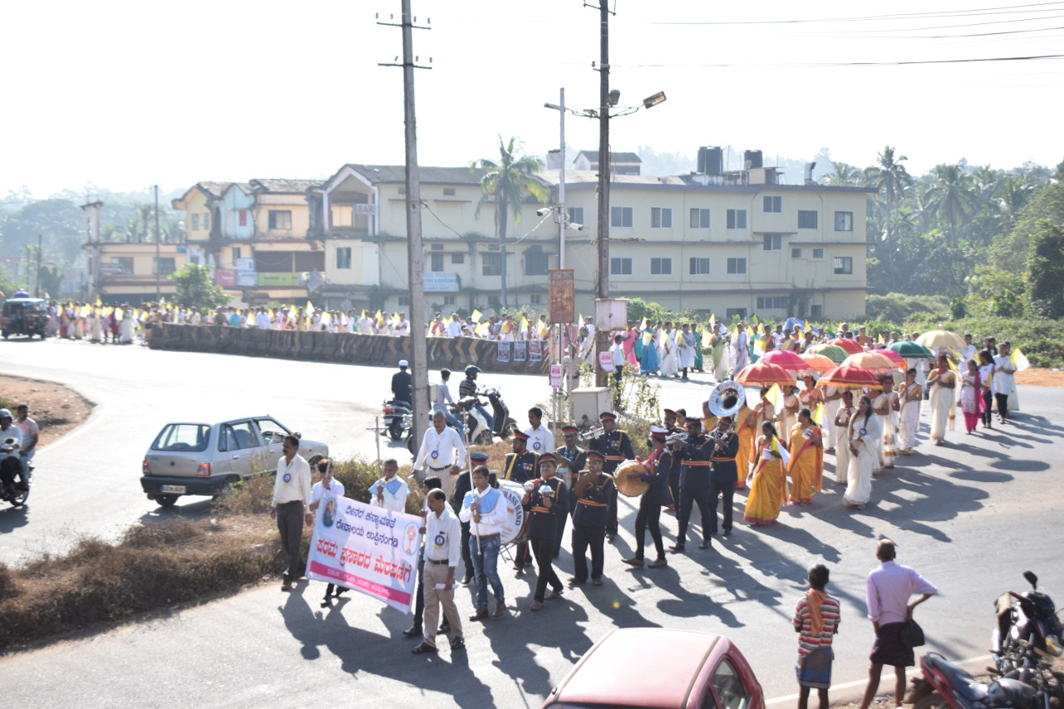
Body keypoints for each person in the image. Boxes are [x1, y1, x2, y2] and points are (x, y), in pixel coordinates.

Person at [859, 540, 937, 709]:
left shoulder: (874, 575)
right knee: (899, 669)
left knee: (875, 671)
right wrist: (912, 606)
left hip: (885, 627)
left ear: (877, 556)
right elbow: (931, 590)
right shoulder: (907, 572)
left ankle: (864, 706)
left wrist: (877, 630)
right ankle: (898, 705)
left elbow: (873, 610)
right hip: (902, 627)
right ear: (894, 555)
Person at [412, 489, 466, 655]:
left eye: (432, 501)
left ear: (441, 501)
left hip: (443, 568)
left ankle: (458, 635)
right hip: (429, 565)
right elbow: (429, 539)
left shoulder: (452, 521)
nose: (428, 504)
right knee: (430, 604)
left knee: (447, 603)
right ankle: (429, 640)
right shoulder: (430, 517)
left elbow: (454, 551)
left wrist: (451, 576)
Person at [459, 466, 509, 621]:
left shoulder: (497, 495)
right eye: (474, 478)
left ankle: (500, 601)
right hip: (474, 539)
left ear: (487, 479)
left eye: (479, 478)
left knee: (489, 571)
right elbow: (463, 517)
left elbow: (502, 516)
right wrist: (470, 510)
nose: (476, 481)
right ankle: (481, 607)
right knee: (478, 574)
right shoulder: (469, 495)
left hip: (491, 539)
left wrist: (483, 520)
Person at [522, 453, 569, 610]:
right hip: (535, 527)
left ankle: (538, 598)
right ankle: (557, 585)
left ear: (555, 469)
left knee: (543, 565)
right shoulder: (534, 484)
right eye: (542, 466)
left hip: (549, 528)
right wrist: (525, 502)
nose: (544, 468)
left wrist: (551, 505)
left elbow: (564, 508)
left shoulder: (560, 485)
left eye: (548, 466)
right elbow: (530, 508)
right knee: (542, 562)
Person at [794, 564, 841, 709]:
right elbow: (835, 627)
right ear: (827, 580)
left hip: (807, 652)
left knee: (804, 692)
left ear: (809, 580)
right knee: (823, 692)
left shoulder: (803, 603)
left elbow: (797, 626)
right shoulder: (835, 603)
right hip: (824, 652)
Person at [270, 435, 313, 591]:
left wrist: (308, 512)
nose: (284, 448)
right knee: (287, 543)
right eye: (283, 445)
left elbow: (306, 490)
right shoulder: (281, 462)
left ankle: (289, 575)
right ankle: (301, 567)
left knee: (294, 543)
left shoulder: (302, 465)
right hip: (281, 508)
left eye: (287, 446)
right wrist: (273, 505)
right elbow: (278, 485)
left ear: (295, 448)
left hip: (294, 508)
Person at [622, 426, 670, 568]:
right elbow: (648, 467)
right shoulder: (657, 453)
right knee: (641, 524)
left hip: (655, 494)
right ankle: (640, 557)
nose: (651, 441)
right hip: (649, 493)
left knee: (652, 526)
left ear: (655, 440)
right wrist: (639, 465)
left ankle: (660, 557)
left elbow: (662, 477)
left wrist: (641, 475)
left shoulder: (665, 455)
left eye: (652, 438)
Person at [569, 450, 614, 587]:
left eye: (595, 462)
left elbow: (604, 499)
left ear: (601, 464)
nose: (592, 465)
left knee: (597, 550)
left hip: (596, 519)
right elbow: (576, 493)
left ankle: (596, 576)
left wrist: (593, 490)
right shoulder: (582, 474)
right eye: (590, 462)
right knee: (578, 549)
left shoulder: (607, 479)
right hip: (580, 516)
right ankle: (580, 576)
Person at [672, 418, 715, 552]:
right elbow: (678, 459)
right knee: (683, 514)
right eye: (687, 428)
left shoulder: (708, 441)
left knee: (704, 511)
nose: (687, 431)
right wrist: (675, 449)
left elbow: (702, 455)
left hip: (701, 482)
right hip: (686, 482)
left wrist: (685, 445)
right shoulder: (687, 440)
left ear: (697, 428)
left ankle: (707, 539)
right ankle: (680, 541)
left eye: (690, 428)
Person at [309, 459, 348, 607]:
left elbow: (334, 504)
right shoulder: (316, 487)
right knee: (331, 558)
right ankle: (342, 583)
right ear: (320, 473)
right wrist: (322, 491)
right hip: (322, 528)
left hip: (336, 529)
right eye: (326, 472)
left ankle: (328, 593)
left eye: (331, 472)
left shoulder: (338, 487)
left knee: (333, 558)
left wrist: (327, 491)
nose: (329, 475)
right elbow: (312, 506)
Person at [591, 411, 634, 541]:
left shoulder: (621, 436)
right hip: (600, 472)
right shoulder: (600, 437)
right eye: (602, 422)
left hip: (614, 473)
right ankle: (599, 526)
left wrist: (626, 470)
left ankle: (611, 529)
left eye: (606, 422)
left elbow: (630, 455)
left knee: (611, 501)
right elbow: (593, 452)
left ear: (612, 423)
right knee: (597, 499)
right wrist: (593, 436)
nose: (604, 424)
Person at [503, 431, 539, 572]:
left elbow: (537, 479)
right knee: (516, 526)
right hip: (512, 497)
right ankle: (527, 558)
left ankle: (520, 561)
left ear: (524, 444)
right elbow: (506, 476)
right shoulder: (510, 458)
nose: (513, 445)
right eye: (513, 442)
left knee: (522, 527)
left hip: (526, 497)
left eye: (516, 443)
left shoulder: (534, 458)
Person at [451, 453, 489, 586]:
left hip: (484, 519)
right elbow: (458, 498)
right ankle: (469, 572)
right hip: (468, 519)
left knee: (484, 548)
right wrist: (468, 509)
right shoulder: (463, 477)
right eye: (475, 466)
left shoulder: (489, 477)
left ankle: (483, 573)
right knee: (466, 548)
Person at [413, 410, 466, 500]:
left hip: (445, 472)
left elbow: (462, 450)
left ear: (445, 421)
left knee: (443, 499)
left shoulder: (452, 434)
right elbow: (423, 450)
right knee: (429, 499)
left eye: (439, 421)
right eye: (435, 421)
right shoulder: (429, 432)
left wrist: (458, 465)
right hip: (431, 471)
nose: (437, 424)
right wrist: (416, 467)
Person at [743, 422, 789, 525]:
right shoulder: (760, 439)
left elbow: (786, 456)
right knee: (759, 493)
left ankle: (770, 514)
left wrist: (776, 454)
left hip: (774, 472)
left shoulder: (780, 442)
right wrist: (752, 470)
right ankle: (756, 515)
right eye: (763, 430)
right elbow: (758, 455)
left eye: (766, 430)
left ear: (771, 429)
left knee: (772, 494)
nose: (764, 432)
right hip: (762, 470)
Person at [707, 414, 741, 538]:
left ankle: (727, 527)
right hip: (714, 471)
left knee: (727, 501)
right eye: (720, 423)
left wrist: (722, 445)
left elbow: (732, 453)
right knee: (711, 501)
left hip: (728, 471)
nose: (720, 426)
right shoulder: (711, 435)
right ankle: (712, 527)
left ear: (728, 426)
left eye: (724, 425)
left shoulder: (733, 436)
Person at [843, 396, 880, 510]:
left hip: (865, 448)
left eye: (863, 403)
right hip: (855, 447)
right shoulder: (855, 416)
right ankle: (852, 496)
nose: (861, 405)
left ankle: (862, 498)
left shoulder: (872, 418)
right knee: (854, 472)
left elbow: (877, 434)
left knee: (863, 474)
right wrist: (850, 444)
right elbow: (850, 431)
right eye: (859, 403)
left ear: (868, 405)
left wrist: (864, 438)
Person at [788, 409, 823, 506]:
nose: (798, 417)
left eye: (800, 416)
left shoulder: (814, 429)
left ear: (807, 417)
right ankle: (796, 497)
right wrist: (787, 454)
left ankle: (806, 498)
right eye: (798, 415)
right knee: (796, 477)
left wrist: (813, 438)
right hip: (795, 456)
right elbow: (790, 442)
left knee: (806, 477)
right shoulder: (795, 427)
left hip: (808, 457)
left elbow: (819, 444)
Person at [926, 355, 956, 445]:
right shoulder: (933, 372)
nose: (940, 363)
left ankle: (940, 436)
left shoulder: (950, 374)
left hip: (945, 396)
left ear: (946, 363)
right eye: (938, 361)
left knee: (942, 415)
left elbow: (953, 386)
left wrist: (943, 384)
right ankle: (936, 434)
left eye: (942, 361)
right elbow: (928, 383)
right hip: (935, 396)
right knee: (935, 414)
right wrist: (935, 379)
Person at [460, 366, 494, 435]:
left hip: (463, 404)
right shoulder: (472, 384)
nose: (476, 375)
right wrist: (482, 404)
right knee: (490, 419)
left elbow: (469, 394)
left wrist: (480, 394)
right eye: (475, 373)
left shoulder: (462, 382)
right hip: (471, 405)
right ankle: (490, 436)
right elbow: (474, 397)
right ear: (471, 374)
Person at [898, 369, 923, 454]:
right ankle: (903, 445)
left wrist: (912, 398)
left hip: (912, 407)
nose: (912, 377)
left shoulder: (918, 386)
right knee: (903, 424)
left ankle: (908, 445)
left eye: (914, 376)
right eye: (911, 375)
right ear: (907, 375)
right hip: (904, 406)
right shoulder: (902, 384)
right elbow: (899, 396)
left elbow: (920, 397)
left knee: (910, 425)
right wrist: (904, 389)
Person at [832, 391, 855, 485]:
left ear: (851, 399)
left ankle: (851, 476)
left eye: (847, 398)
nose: (845, 400)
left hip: (850, 434)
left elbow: (856, 424)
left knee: (850, 455)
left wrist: (850, 415)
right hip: (841, 432)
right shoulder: (840, 410)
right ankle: (842, 476)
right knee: (841, 455)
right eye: (844, 398)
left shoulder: (855, 410)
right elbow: (836, 422)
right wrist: (843, 424)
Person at [993, 341, 1017, 424]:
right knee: (998, 399)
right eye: (1000, 348)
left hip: (1006, 382)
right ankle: (1000, 414)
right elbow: (991, 369)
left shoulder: (1009, 359)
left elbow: (1013, 370)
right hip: (996, 382)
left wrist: (1004, 370)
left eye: (1003, 348)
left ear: (1006, 349)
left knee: (1004, 400)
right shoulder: (994, 358)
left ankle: (1002, 415)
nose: (1001, 350)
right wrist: (996, 370)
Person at [13, 404, 37, 488]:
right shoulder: (13, 424)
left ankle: (26, 482)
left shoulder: (31, 423)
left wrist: (26, 451)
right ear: (18, 413)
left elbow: (35, 439)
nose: (25, 414)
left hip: (28, 449)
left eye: (26, 412)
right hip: (16, 449)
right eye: (23, 412)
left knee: (23, 460)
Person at [0, 410, 24, 494]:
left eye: (7, 419)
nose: (5, 421)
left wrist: (12, 447)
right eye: (3, 419)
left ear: (10, 420)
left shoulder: (15, 430)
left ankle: (11, 486)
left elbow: (19, 441)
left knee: (6, 465)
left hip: (12, 455)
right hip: (0, 455)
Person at [960, 359, 985, 435]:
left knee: (973, 411)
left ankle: (973, 424)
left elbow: (979, 386)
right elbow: (962, 385)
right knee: (966, 411)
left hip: (974, 395)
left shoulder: (978, 374)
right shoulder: (964, 374)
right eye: (968, 365)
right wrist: (963, 383)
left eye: (971, 365)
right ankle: (968, 428)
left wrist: (971, 384)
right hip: (965, 394)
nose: (969, 366)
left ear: (974, 366)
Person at [978, 350, 996, 429]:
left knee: (988, 406)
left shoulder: (991, 366)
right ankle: (983, 422)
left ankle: (989, 422)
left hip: (988, 388)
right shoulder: (979, 366)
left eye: (980, 357)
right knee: (981, 406)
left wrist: (986, 387)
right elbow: (977, 377)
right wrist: (982, 386)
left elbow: (991, 376)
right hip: (980, 388)